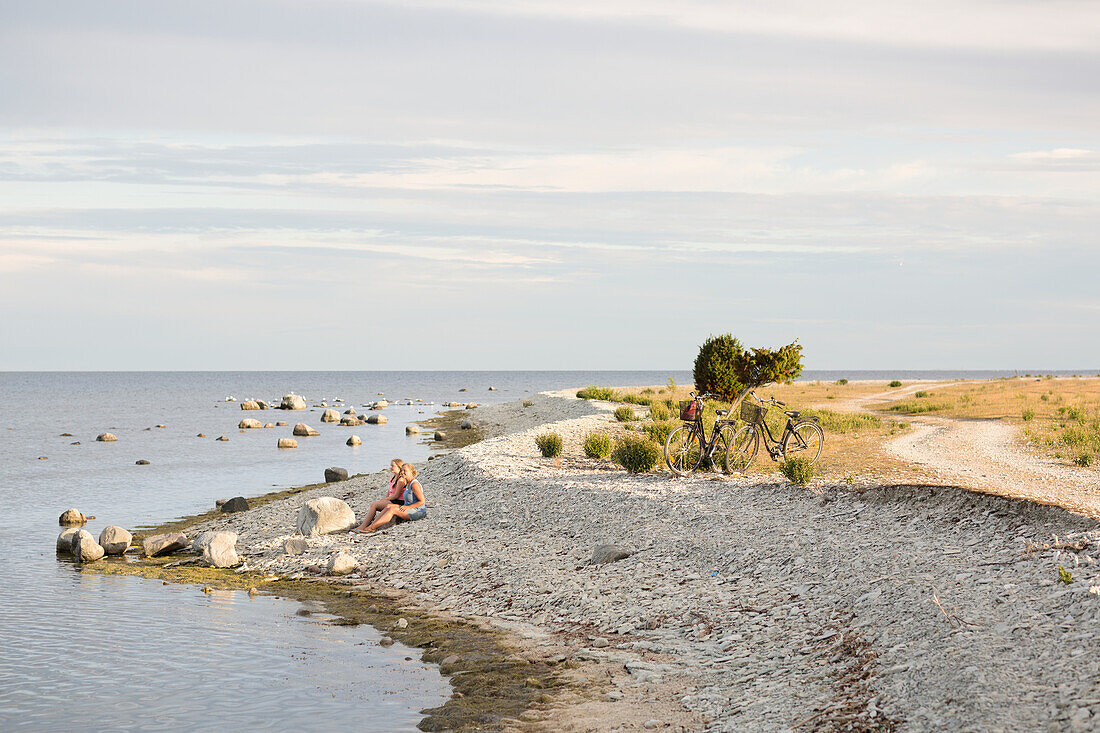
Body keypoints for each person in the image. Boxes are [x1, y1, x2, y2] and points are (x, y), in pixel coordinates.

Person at [361, 462, 426, 532]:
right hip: (408, 508)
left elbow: (422, 501)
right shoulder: (408, 483)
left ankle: (372, 528)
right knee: (389, 506)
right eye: (402, 471)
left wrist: (408, 507)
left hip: (417, 511)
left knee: (392, 510)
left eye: (405, 471)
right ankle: (371, 526)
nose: (402, 472)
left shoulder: (414, 485)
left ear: (411, 472)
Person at [351, 459, 406, 532]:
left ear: (399, 467)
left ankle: (364, 526)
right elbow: (389, 491)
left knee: (375, 504)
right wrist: (385, 499)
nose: (390, 467)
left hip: (398, 502)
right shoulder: (393, 477)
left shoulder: (401, 480)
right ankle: (367, 525)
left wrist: (385, 500)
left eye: (393, 466)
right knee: (375, 503)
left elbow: (396, 495)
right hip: (392, 500)